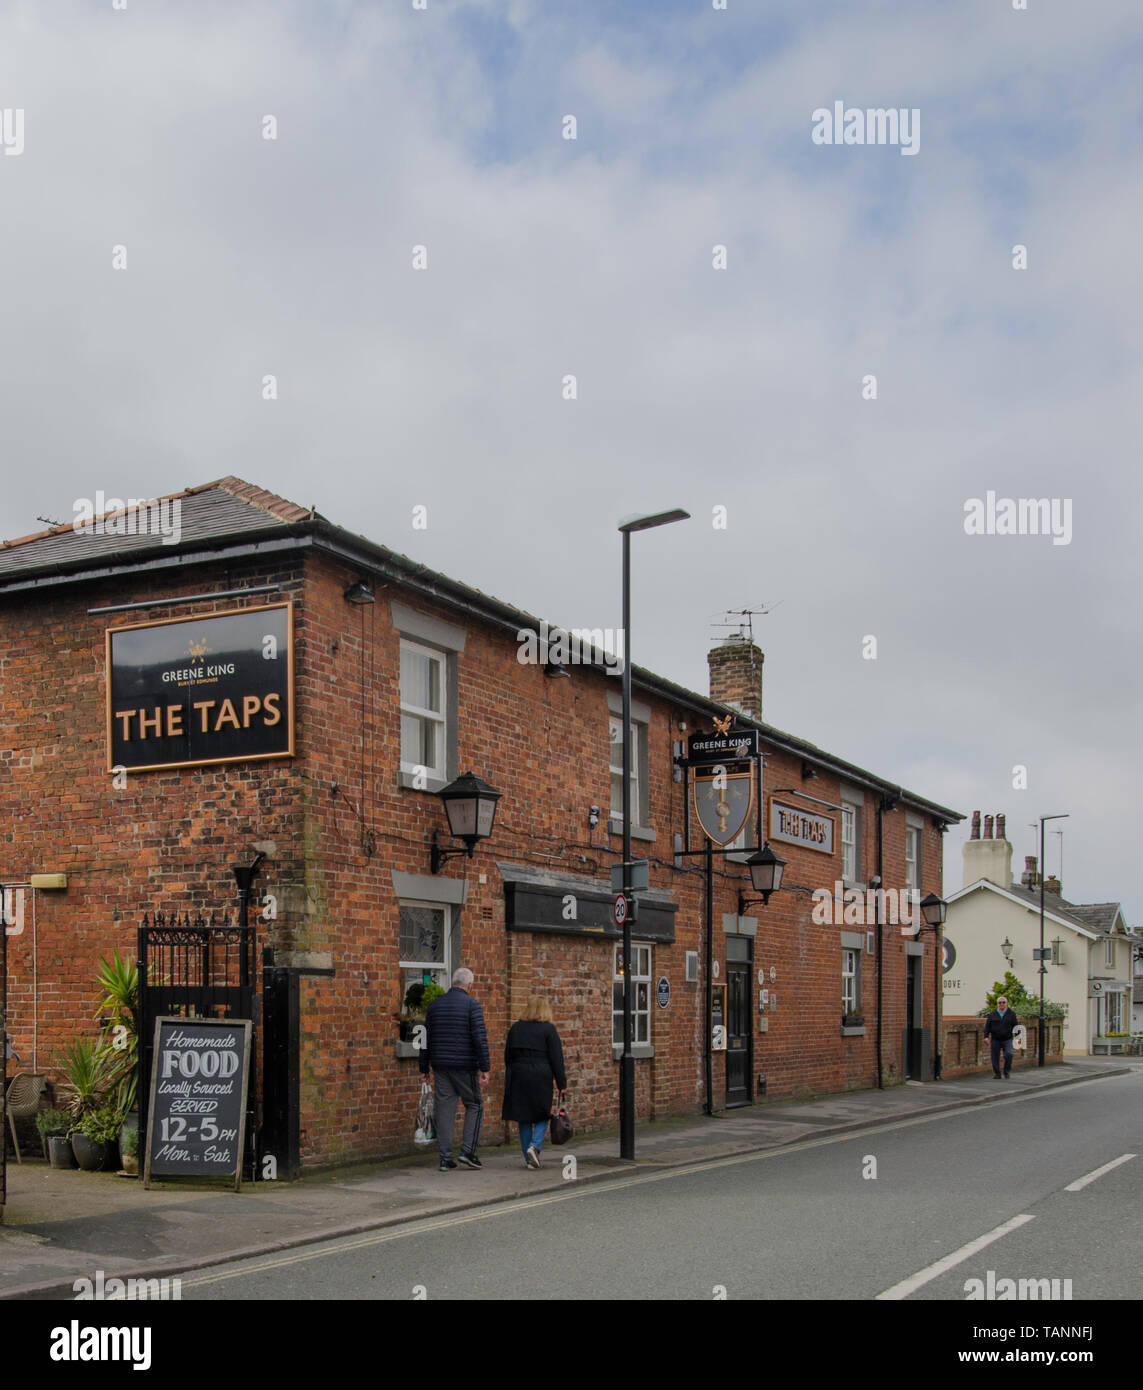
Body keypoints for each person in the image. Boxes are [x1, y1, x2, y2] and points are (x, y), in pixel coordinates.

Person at [419, 966, 490, 1172]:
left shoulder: (435, 1006)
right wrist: (485, 1067)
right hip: (465, 1066)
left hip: (440, 1065)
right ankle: (468, 1152)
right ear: (470, 985)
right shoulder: (472, 1005)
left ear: (452, 983)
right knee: (475, 1104)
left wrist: (424, 1067)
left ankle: (445, 1158)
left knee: (445, 1110)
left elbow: (425, 1040)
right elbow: (479, 1039)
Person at [502, 996, 567, 1169]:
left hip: (518, 1074)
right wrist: (562, 1084)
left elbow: (507, 1056)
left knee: (523, 1118)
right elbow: (556, 1059)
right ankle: (535, 1146)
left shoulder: (515, 1028)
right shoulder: (549, 1030)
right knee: (542, 1113)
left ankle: (528, 1158)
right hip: (541, 1074)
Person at [983, 995, 1019, 1079]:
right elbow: (987, 1026)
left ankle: (1006, 1071)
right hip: (995, 1039)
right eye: (1000, 1003)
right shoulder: (992, 1014)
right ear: (997, 1004)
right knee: (995, 1057)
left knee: (1009, 1054)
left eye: (1003, 1002)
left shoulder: (1011, 1014)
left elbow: (1016, 1026)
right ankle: (997, 1073)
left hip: (1007, 1039)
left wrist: (1017, 1038)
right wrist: (986, 1037)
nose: (1001, 1004)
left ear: (1006, 1003)